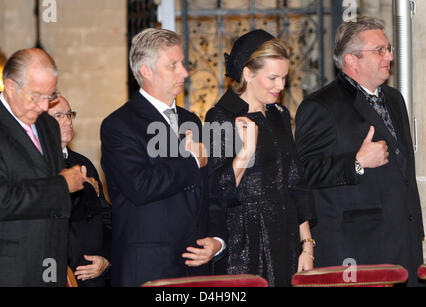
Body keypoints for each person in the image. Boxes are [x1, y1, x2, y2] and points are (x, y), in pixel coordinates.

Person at [295, 16, 424, 286]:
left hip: (404, 243)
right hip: (357, 248)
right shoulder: (320, 106)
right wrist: (356, 162)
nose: (389, 56)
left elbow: (403, 171)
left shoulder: (394, 99)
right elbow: (304, 172)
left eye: (388, 48)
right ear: (352, 59)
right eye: (380, 51)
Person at [101, 28, 226, 287]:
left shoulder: (191, 120)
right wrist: (190, 160)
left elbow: (211, 192)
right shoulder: (119, 125)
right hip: (149, 269)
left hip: (197, 267)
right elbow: (140, 186)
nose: (184, 72)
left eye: (182, 63)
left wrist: (217, 240)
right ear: (146, 71)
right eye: (173, 65)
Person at [204, 30, 316, 287]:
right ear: (248, 73)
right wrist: (246, 151)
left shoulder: (280, 114)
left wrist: (307, 246)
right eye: (273, 78)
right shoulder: (220, 117)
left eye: (284, 77)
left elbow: (296, 183)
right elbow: (218, 189)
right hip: (245, 246)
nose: (280, 86)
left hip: (287, 240)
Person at [0, 48, 88, 286]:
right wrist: (63, 184)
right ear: (10, 86)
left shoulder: (48, 125)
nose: (43, 106)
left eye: (50, 96)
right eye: (36, 96)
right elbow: (0, 199)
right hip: (5, 272)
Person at [48, 96, 112, 287]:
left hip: (94, 277)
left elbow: (106, 217)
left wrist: (107, 258)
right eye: (59, 115)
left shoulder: (83, 163)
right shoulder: (37, 167)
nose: (68, 121)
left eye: (69, 114)